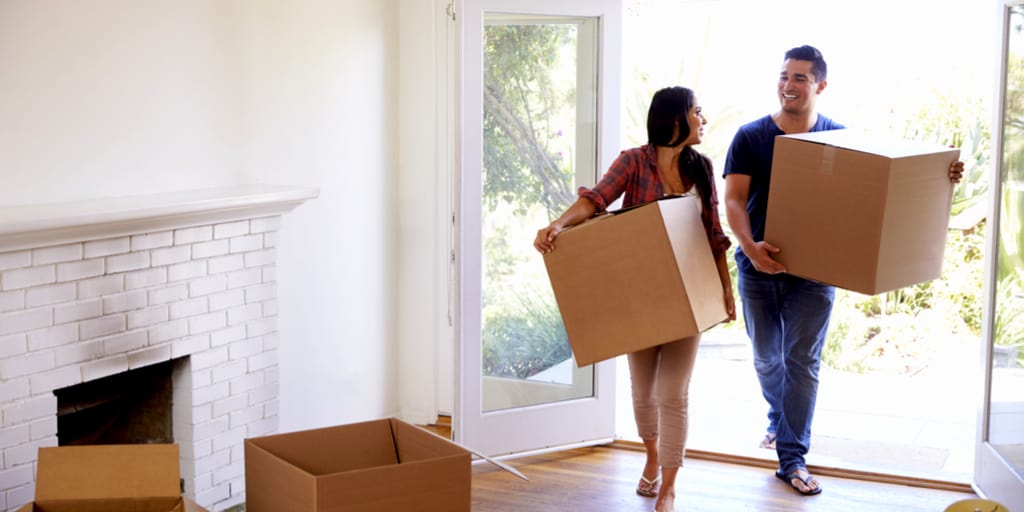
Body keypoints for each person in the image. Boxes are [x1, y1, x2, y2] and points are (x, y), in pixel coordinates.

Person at [722, 45, 966, 496]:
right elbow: (734, 200)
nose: (788, 85)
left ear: (820, 85)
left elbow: (883, 186)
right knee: (766, 358)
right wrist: (750, 247)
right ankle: (779, 418)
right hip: (758, 267)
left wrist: (943, 175)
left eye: (799, 78)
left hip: (814, 273)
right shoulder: (751, 136)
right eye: (783, 76)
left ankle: (792, 457)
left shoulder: (840, 137)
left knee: (803, 362)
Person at [534, 86, 735, 512]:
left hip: (688, 298)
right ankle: (652, 458)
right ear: (676, 118)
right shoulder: (633, 161)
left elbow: (714, 235)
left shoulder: (701, 168)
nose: (703, 118)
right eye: (697, 111)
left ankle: (670, 485)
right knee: (644, 392)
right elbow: (595, 201)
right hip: (641, 298)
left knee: (673, 392)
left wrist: (725, 289)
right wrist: (557, 225)